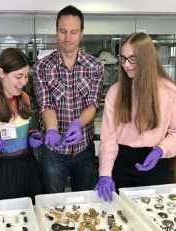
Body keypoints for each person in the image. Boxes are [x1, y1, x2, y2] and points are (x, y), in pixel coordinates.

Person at [94, 32, 176, 201]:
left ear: (146, 59)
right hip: (120, 161)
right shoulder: (115, 92)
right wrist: (105, 174)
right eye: (123, 58)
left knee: (151, 213)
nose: (126, 65)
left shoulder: (168, 90)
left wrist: (161, 150)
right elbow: (108, 138)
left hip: (154, 161)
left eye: (132, 59)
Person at [33, 5, 104, 193]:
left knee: (84, 200)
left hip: (84, 148)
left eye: (73, 32)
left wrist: (79, 123)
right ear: (56, 31)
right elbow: (46, 103)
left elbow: (93, 103)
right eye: (63, 31)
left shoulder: (95, 66)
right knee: (52, 203)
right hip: (53, 151)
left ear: (81, 33)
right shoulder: (42, 67)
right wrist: (53, 130)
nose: (67, 38)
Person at [0, 48, 43, 201]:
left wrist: (32, 136)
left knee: (32, 214)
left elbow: (25, 130)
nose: (24, 82)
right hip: (2, 170)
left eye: (26, 76)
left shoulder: (24, 98)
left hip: (28, 165)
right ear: (1, 72)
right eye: (18, 76)